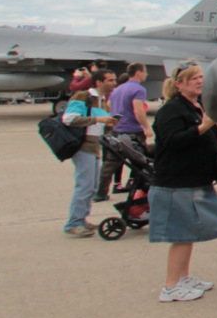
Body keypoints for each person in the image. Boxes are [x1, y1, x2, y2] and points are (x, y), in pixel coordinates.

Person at [148, 60, 217, 302]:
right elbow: (173, 141)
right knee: (181, 236)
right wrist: (203, 127)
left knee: (190, 233)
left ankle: (183, 277)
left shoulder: (196, 107)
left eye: (201, 77)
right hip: (176, 184)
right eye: (193, 78)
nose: (199, 81)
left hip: (194, 180)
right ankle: (171, 286)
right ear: (179, 85)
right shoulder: (171, 109)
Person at [61, 68, 116, 237]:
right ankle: (74, 222)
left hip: (94, 146)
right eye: (110, 81)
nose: (114, 84)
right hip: (84, 146)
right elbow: (68, 118)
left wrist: (108, 125)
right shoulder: (83, 96)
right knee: (85, 185)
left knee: (91, 187)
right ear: (99, 82)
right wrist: (99, 119)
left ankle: (81, 219)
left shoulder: (103, 101)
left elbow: (97, 126)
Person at [100, 62, 154, 201]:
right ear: (138, 72)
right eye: (144, 71)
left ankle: (100, 192)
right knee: (141, 161)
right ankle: (141, 190)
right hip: (133, 131)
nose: (146, 74)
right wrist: (147, 127)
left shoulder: (117, 89)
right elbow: (138, 110)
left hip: (117, 130)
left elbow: (109, 106)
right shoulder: (138, 89)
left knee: (111, 163)